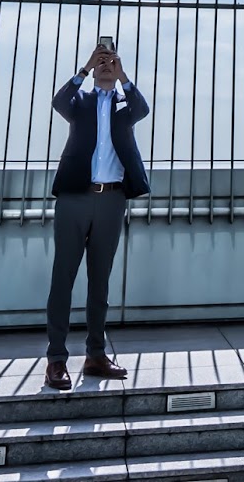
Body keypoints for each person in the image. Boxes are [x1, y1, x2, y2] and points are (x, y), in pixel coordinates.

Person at [44, 40, 152, 390]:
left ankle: (95, 355)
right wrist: (85, 68)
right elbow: (59, 101)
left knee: (100, 282)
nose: (106, 64)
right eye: (101, 59)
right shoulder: (81, 102)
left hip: (112, 199)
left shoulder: (125, 105)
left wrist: (123, 76)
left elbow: (143, 108)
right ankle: (57, 360)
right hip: (76, 197)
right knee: (63, 279)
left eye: (111, 59)